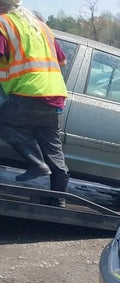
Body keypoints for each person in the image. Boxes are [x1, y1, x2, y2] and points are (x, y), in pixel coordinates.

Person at [0, 0, 69, 206]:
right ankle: (59, 199)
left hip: (29, 93)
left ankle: (36, 163)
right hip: (55, 96)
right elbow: (63, 61)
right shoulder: (41, 26)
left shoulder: (3, 23)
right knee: (54, 152)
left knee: (3, 122)